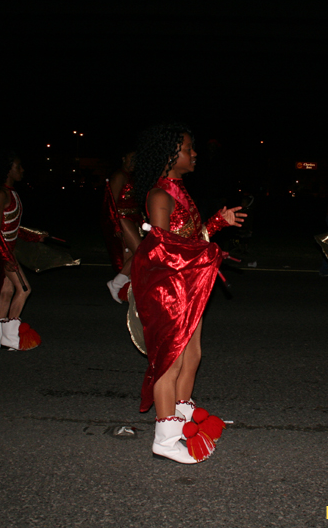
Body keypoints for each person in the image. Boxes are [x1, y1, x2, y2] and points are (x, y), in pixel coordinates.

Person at [130, 122, 246, 464]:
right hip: (169, 290)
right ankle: (164, 438)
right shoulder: (159, 195)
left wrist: (217, 223)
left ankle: (181, 419)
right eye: (187, 148)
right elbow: (163, 249)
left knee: (193, 356)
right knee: (170, 363)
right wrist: (207, 253)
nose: (194, 153)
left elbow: (193, 239)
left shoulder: (180, 191)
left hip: (190, 286)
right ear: (170, 155)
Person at [0, 153, 47, 351]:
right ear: (8, 169)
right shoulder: (1, 193)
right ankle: (11, 337)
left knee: (7, 291)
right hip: (2, 252)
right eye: (18, 167)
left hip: (6, 250)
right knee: (24, 289)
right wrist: (4, 257)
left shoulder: (11, 193)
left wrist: (35, 236)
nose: (22, 170)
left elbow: (11, 226)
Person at [103, 150, 144, 302]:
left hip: (133, 218)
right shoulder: (119, 176)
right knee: (141, 250)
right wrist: (115, 224)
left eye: (137, 159)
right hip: (122, 217)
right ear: (123, 158)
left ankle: (127, 290)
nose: (134, 162)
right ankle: (116, 283)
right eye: (131, 158)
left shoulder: (131, 177)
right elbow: (110, 202)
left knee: (131, 256)